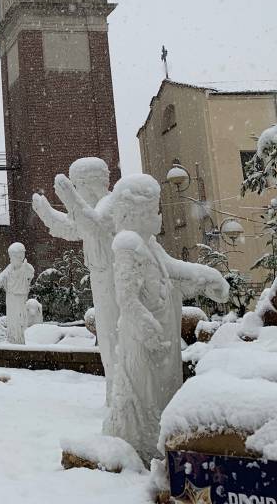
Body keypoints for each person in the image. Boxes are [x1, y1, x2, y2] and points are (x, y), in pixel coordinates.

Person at [104, 175, 229, 462]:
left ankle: (158, 447)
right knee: (145, 398)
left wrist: (209, 277)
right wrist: (147, 327)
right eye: (152, 212)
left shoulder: (149, 245)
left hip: (160, 341)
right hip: (144, 341)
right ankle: (142, 450)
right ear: (134, 214)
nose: (159, 218)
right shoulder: (127, 245)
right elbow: (126, 298)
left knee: (161, 396)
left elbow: (174, 269)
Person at [32, 157, 118, 403]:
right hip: (101, 278)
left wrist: (71, 199)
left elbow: (95, 225)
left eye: (79, 188)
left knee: (116, 334)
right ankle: (115, 391)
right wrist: (46, 212)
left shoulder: (112, 204)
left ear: (91, 184)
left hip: (118, 280)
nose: (78, 194)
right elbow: (73, 228)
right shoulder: (91, 210)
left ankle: (123, 392)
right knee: (107, 335)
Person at [0, 243, 36, 344]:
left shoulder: (27, 268)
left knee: (20, 319)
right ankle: (12, 339)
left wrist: (23, 268)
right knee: (12, 320)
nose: (10, 259)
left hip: (21, 298)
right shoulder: (10, 268)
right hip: (10, 297)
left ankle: (21, 340)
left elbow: (30, 274)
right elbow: (1, 278)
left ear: (19, 257)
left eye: (12, 257)